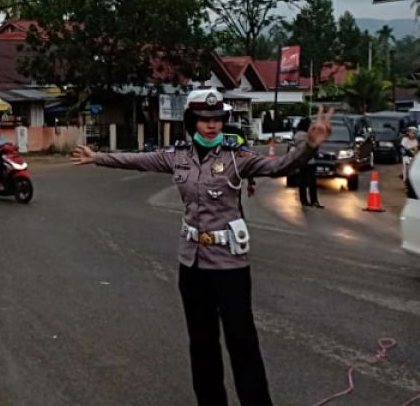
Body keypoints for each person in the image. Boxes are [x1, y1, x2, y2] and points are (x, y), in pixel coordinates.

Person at [72, 89, 332, 406]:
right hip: (192, 264)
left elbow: (276, 167)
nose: (212, 125)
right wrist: (97, 157)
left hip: (230, 265)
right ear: (192, 121)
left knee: (242, 341)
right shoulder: (177, 156)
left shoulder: (236, 157)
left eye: (217, 119)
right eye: (205, 119)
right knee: (202, 342)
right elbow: (137, 160)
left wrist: (309, 146)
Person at [294, 118, 322, 209]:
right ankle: (313, 201)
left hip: (301, 161)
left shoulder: (297, 135)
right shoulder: (306, 136)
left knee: (302, 182)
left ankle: (304, 201)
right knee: (311, 183)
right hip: (310, 161)